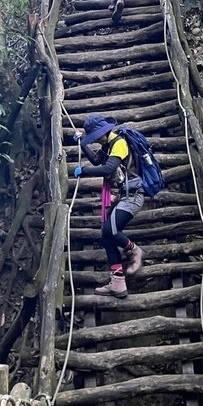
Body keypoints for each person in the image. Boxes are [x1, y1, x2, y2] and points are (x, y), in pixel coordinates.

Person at [74, 115, 144, 297]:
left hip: (133, 196)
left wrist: (84, 171)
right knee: (106, 235)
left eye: (96, 137)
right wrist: (83, 144)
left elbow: (107, 169)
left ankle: (134, 250)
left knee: (111, 230)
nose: (96, 140)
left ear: (105, 132)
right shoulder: (107, 146)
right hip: (123, 196)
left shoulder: (119, 143)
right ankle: (118, 282)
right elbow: (97, 161)